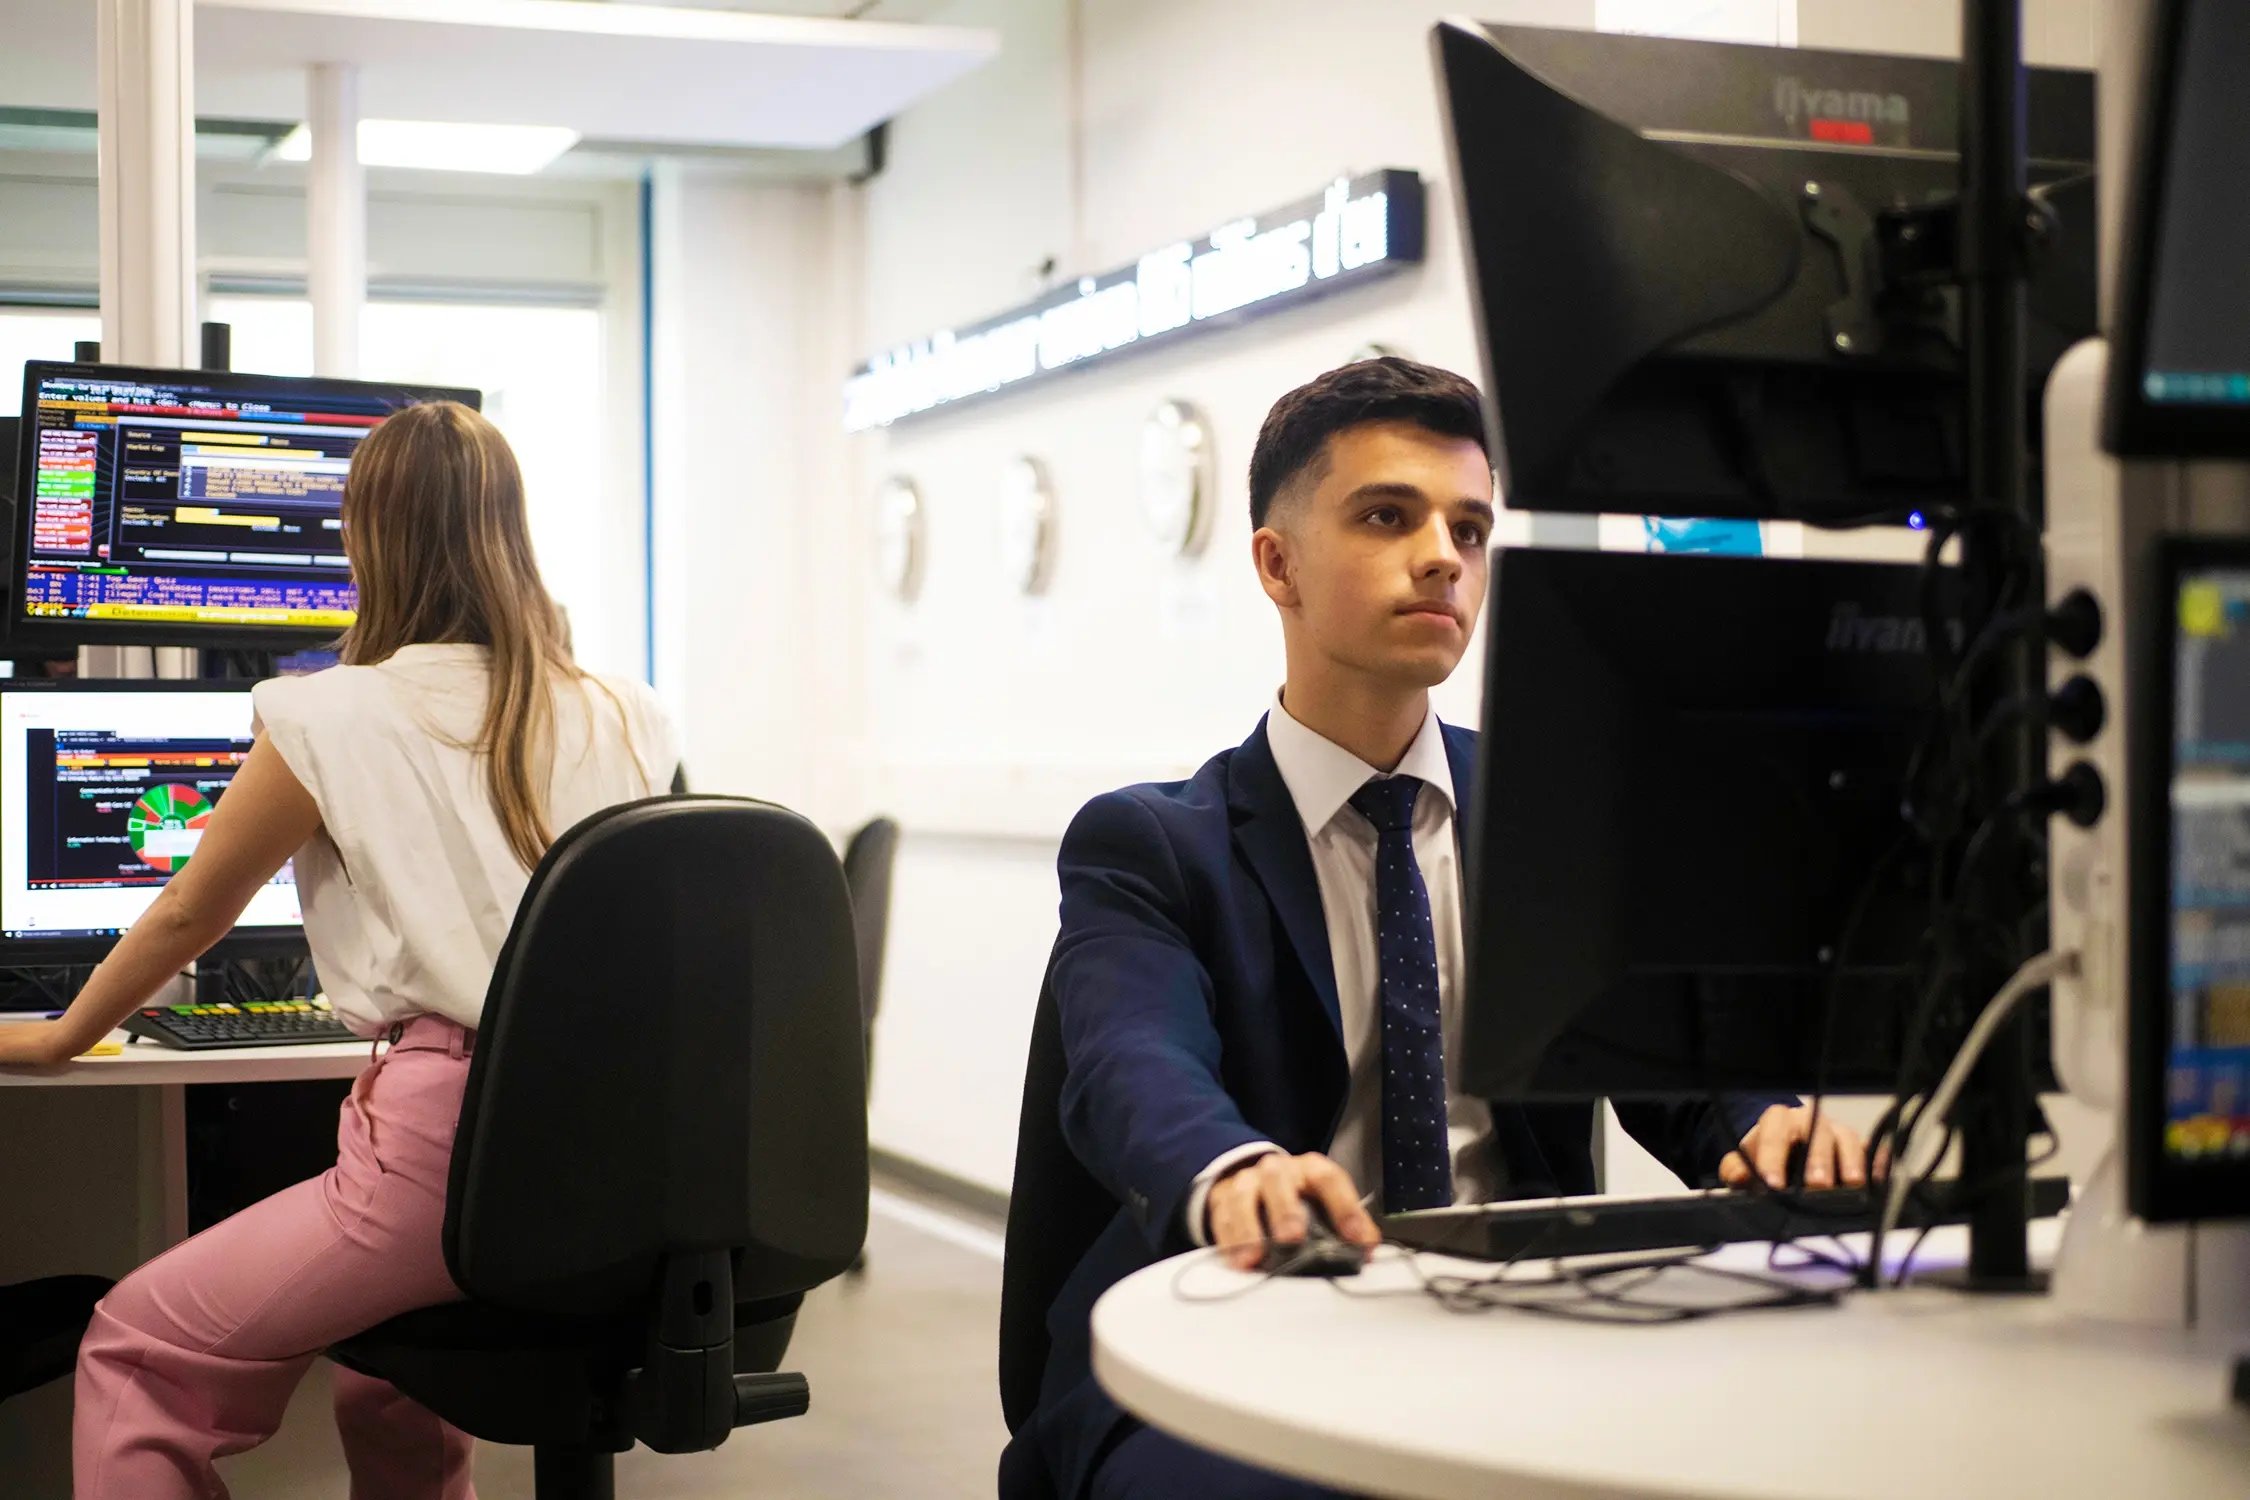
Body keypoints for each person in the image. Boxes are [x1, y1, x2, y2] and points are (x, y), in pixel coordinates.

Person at [1001, 358, 1871, 1500]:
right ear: (1278, 565)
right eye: (1386, 516)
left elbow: (1670, 1060)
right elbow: (1131, 1067)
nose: (1442, 558)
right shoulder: (1152, 846)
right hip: (1240, 1324)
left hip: (1515, 1320)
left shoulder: (1552, 818)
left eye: (1469, 528)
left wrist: (1767, 1126)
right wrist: (1234, 1170)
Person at [0, 402, 677, 1498]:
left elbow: (187, 916)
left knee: (135, 1345)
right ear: (512, 527)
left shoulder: (328, 715)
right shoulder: (626, 710)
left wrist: (64, 1034)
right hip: (631, 1145)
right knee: (388, 1378)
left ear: (368, 537)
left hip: (451, 1150)